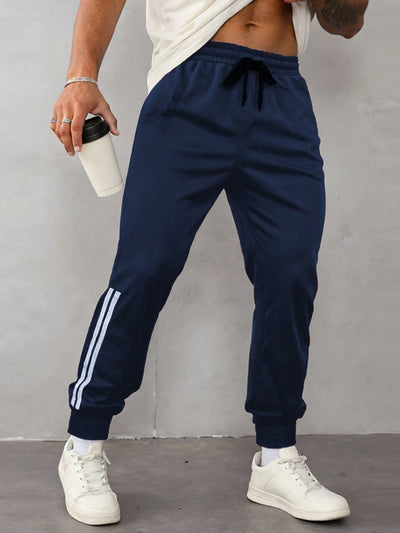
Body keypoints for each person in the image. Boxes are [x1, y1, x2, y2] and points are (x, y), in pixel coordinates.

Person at [51, 0, 368, 526]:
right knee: (144, 269)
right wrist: (81, 76)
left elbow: (347, 23)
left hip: (281, 91)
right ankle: (82, 445)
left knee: (290, 273)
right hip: (189, 83)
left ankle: (276, 456)